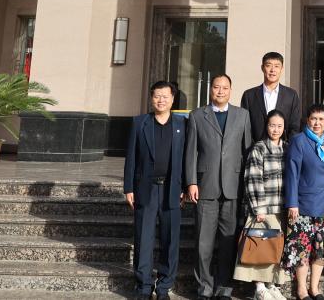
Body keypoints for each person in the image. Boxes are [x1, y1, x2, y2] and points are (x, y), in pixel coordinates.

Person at [184, 73, 253, 300]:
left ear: (230, 90)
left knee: (228, 242)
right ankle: (204, 287)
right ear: (210, 89)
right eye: (216, 87)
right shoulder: (197, 116)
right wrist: (191, 182)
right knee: (203, 243)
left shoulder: (242, 115)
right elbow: (191, 152)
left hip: (233, 187)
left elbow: (247, 152)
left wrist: (247, 186)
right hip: (205, 186)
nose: (220, 91)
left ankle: (224, 288)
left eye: (224, 87)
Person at [123, 81, 187, 300]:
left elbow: (187, 158)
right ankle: (143, 286)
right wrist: (128, 187)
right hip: (145, 188)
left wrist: (186, 186)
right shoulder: (140, 122)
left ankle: (163, 287)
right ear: (151, 98)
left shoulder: (182, 124)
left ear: (172, 99)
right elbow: (131, 156)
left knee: (170, 240)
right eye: (157, 96)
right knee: (144, 239)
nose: (161, 100)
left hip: (172, 189)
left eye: (165, 96)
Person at [283, 104, 324, 300]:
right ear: (307, 120)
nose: (317, 123)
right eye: (313, 119)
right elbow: (292, 173)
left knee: (322, 249)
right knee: (302, 249)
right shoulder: (298, 141)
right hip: (304, 204)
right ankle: (301, 290)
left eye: (321, 119)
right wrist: (292, 202)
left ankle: (315, 289)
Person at [234, 109, 290, 300]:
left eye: (279, 126)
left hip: (281, 207)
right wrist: (258, 208)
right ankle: (259, 287)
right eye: (272, 125)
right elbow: (253, 178)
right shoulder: (258, 148)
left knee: (276, 247)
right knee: (260, 247)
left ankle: (272, 284)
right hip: (263, 208)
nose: (276, 129)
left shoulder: (287, 148)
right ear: (266, 126)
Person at [240, 51, 302, 142]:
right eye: (268, 65)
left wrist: (289, 146)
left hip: (283, 148)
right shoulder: (249, 96)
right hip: (256, 148)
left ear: (281, 69)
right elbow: (245, 127)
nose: (273, 70)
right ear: (262, 68)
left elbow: (295, 126)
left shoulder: (291, 95)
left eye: (277, 66)